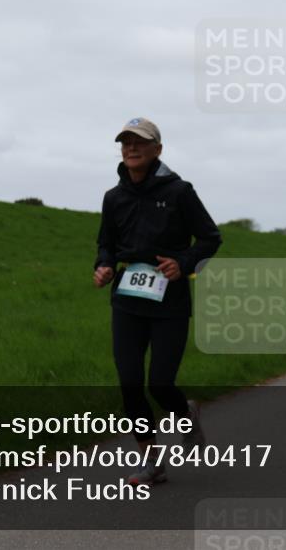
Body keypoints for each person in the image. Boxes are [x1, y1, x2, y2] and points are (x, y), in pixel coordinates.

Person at [93, 117, 222, 485]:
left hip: (170, 301)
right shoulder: (113, 197)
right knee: (131, 384)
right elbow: (105, 243)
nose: (131, 148)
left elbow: (210, 238)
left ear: (158, 149)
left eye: (140, 142)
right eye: (126, 142)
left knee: (160, 384)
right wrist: (103, 266)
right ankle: (152, 462)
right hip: (127, 300)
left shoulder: (179, 191)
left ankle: (186, 415)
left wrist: (183, 263)